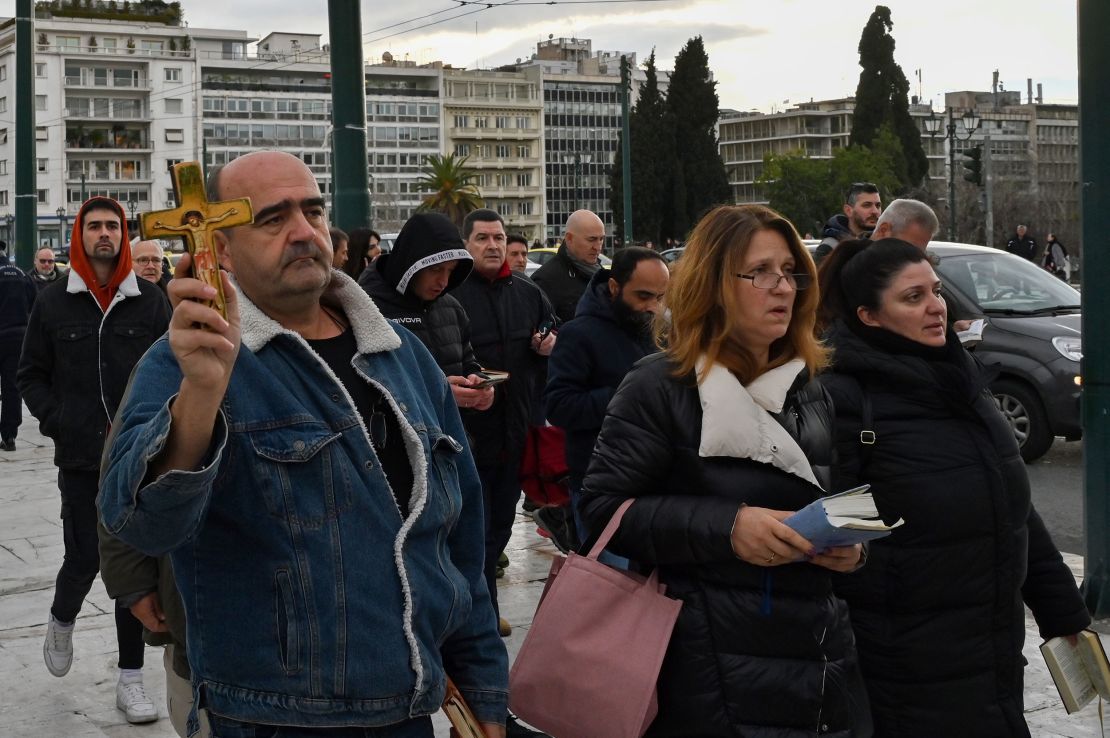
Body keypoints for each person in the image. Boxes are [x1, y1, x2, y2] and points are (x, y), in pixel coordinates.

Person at [97, 151, 508, 737]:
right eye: (271, 219)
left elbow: (457, 534)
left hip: (409, 706)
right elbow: (138, 522)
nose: (302, 232)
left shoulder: (401, 356)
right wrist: (202, 395)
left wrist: (484, 683)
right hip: (272, 716)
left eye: (312, 211)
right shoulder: (185, 361)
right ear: (220, 247)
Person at [580, 204, 870, 737]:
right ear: (713, 284)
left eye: (790, 272)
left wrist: (854, 547)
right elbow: (601, 514)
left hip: (820, 663)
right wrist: (728, 528)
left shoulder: (812, 389)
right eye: (759, 272)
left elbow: (843, 496)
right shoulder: (659, 386)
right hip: (706, 673)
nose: (782, 287)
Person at [816, 238, 1089, 737]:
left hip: (992, 650)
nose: (936, 307)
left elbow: (1012, 507)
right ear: (869, 316)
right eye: (913, 297)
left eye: (936, 291)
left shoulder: (961, 379)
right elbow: (843, 543)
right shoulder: (845, 397)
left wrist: (1062, 610)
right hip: (906, 663)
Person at [17, 196, 172, 724]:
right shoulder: (55, 302)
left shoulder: (151, 301)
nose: (104, 234)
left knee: (132, 570)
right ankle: (62, 618)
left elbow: (173, 368)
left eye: (112, 226)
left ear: (123, 235)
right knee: (83, 558)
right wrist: (58, 420)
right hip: (82, 459)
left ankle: (131, 680)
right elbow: (30, 374)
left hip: (139, 459)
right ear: (78, 235)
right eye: (94, 226)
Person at [452, 208, 556, 639]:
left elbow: (551, 329)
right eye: (482, 239)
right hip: (469, 437)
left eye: (498, 238)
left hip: (514, 433)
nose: (493, 246)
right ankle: (474, 617)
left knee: (497, 533)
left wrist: (546, 341)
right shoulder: (452, 295)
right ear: (466, 245)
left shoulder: (528, 292)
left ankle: (485, 612)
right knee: (471, 536)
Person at [543, 246, 668, 540]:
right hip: (600, 485)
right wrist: (627, 396)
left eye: (660, 298)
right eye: (643, 296)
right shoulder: (578, 334)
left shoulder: (660, 330)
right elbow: (559, 406)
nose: (653, 306)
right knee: (608, 579)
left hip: (655, 482)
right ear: (614, 287)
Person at [358, 211, 494, 413]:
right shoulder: (365, 307)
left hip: (453, 438)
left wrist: (479, 386)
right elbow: (362, 387)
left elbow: (468, 362)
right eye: (436, 269)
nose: (444, 281)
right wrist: (438, 393)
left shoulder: (452, 308)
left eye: (451, 270)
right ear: (410, 264)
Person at [531, 209, 606, 323]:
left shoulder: (602, 275)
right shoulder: (546, 280)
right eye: (592, 239)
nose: (598, 247)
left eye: (601, 239)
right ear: (569, 238)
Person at [0, 240, 36, 451]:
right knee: (12, 387)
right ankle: (9, 435)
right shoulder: (22, 274)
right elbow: (34, 303)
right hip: (17, 337)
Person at [814, 182, 881, 264]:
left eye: (878, 206)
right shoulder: (831, 247)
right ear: (848, 210)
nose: (875, 211)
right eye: (867, 205)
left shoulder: (885, 243)